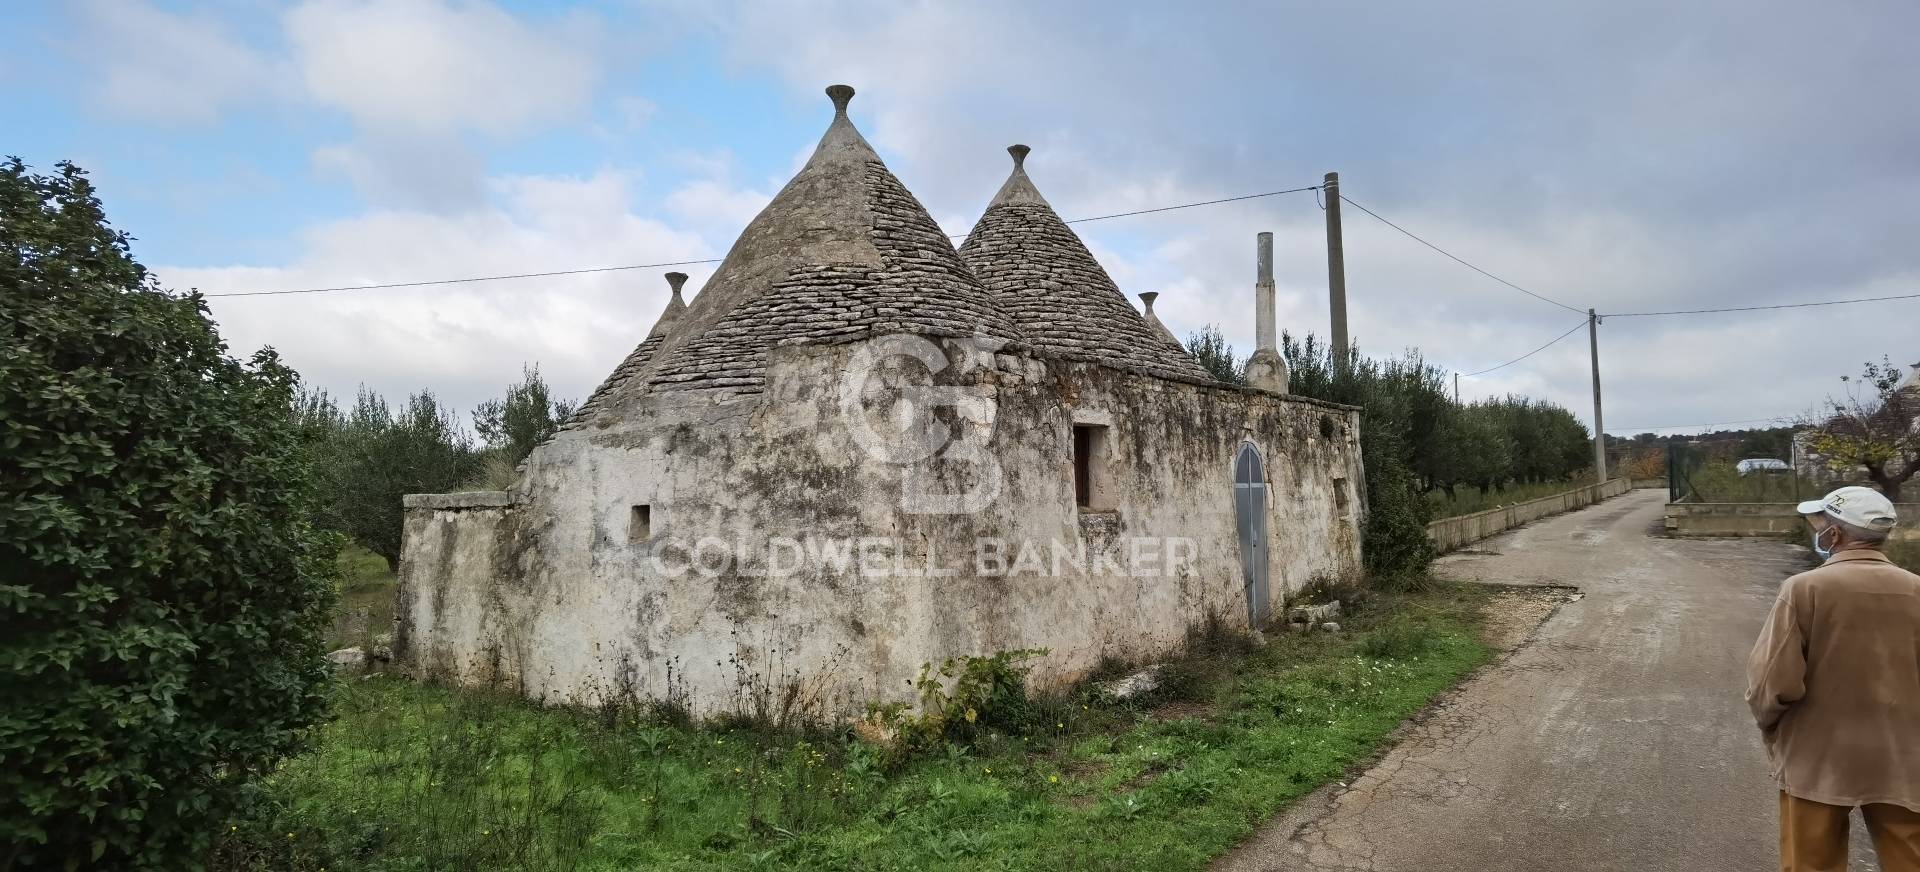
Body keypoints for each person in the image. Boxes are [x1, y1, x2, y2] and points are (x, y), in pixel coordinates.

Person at [1747, 485, 1920, 871]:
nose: (1817, 529)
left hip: (1818, 753)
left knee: (1811, 862)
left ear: (1835, 535)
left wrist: (1771, 726)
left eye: (1820, 522)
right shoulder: (1916, 590)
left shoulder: (1804, 589)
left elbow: (1771, 681)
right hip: (1903, 753)